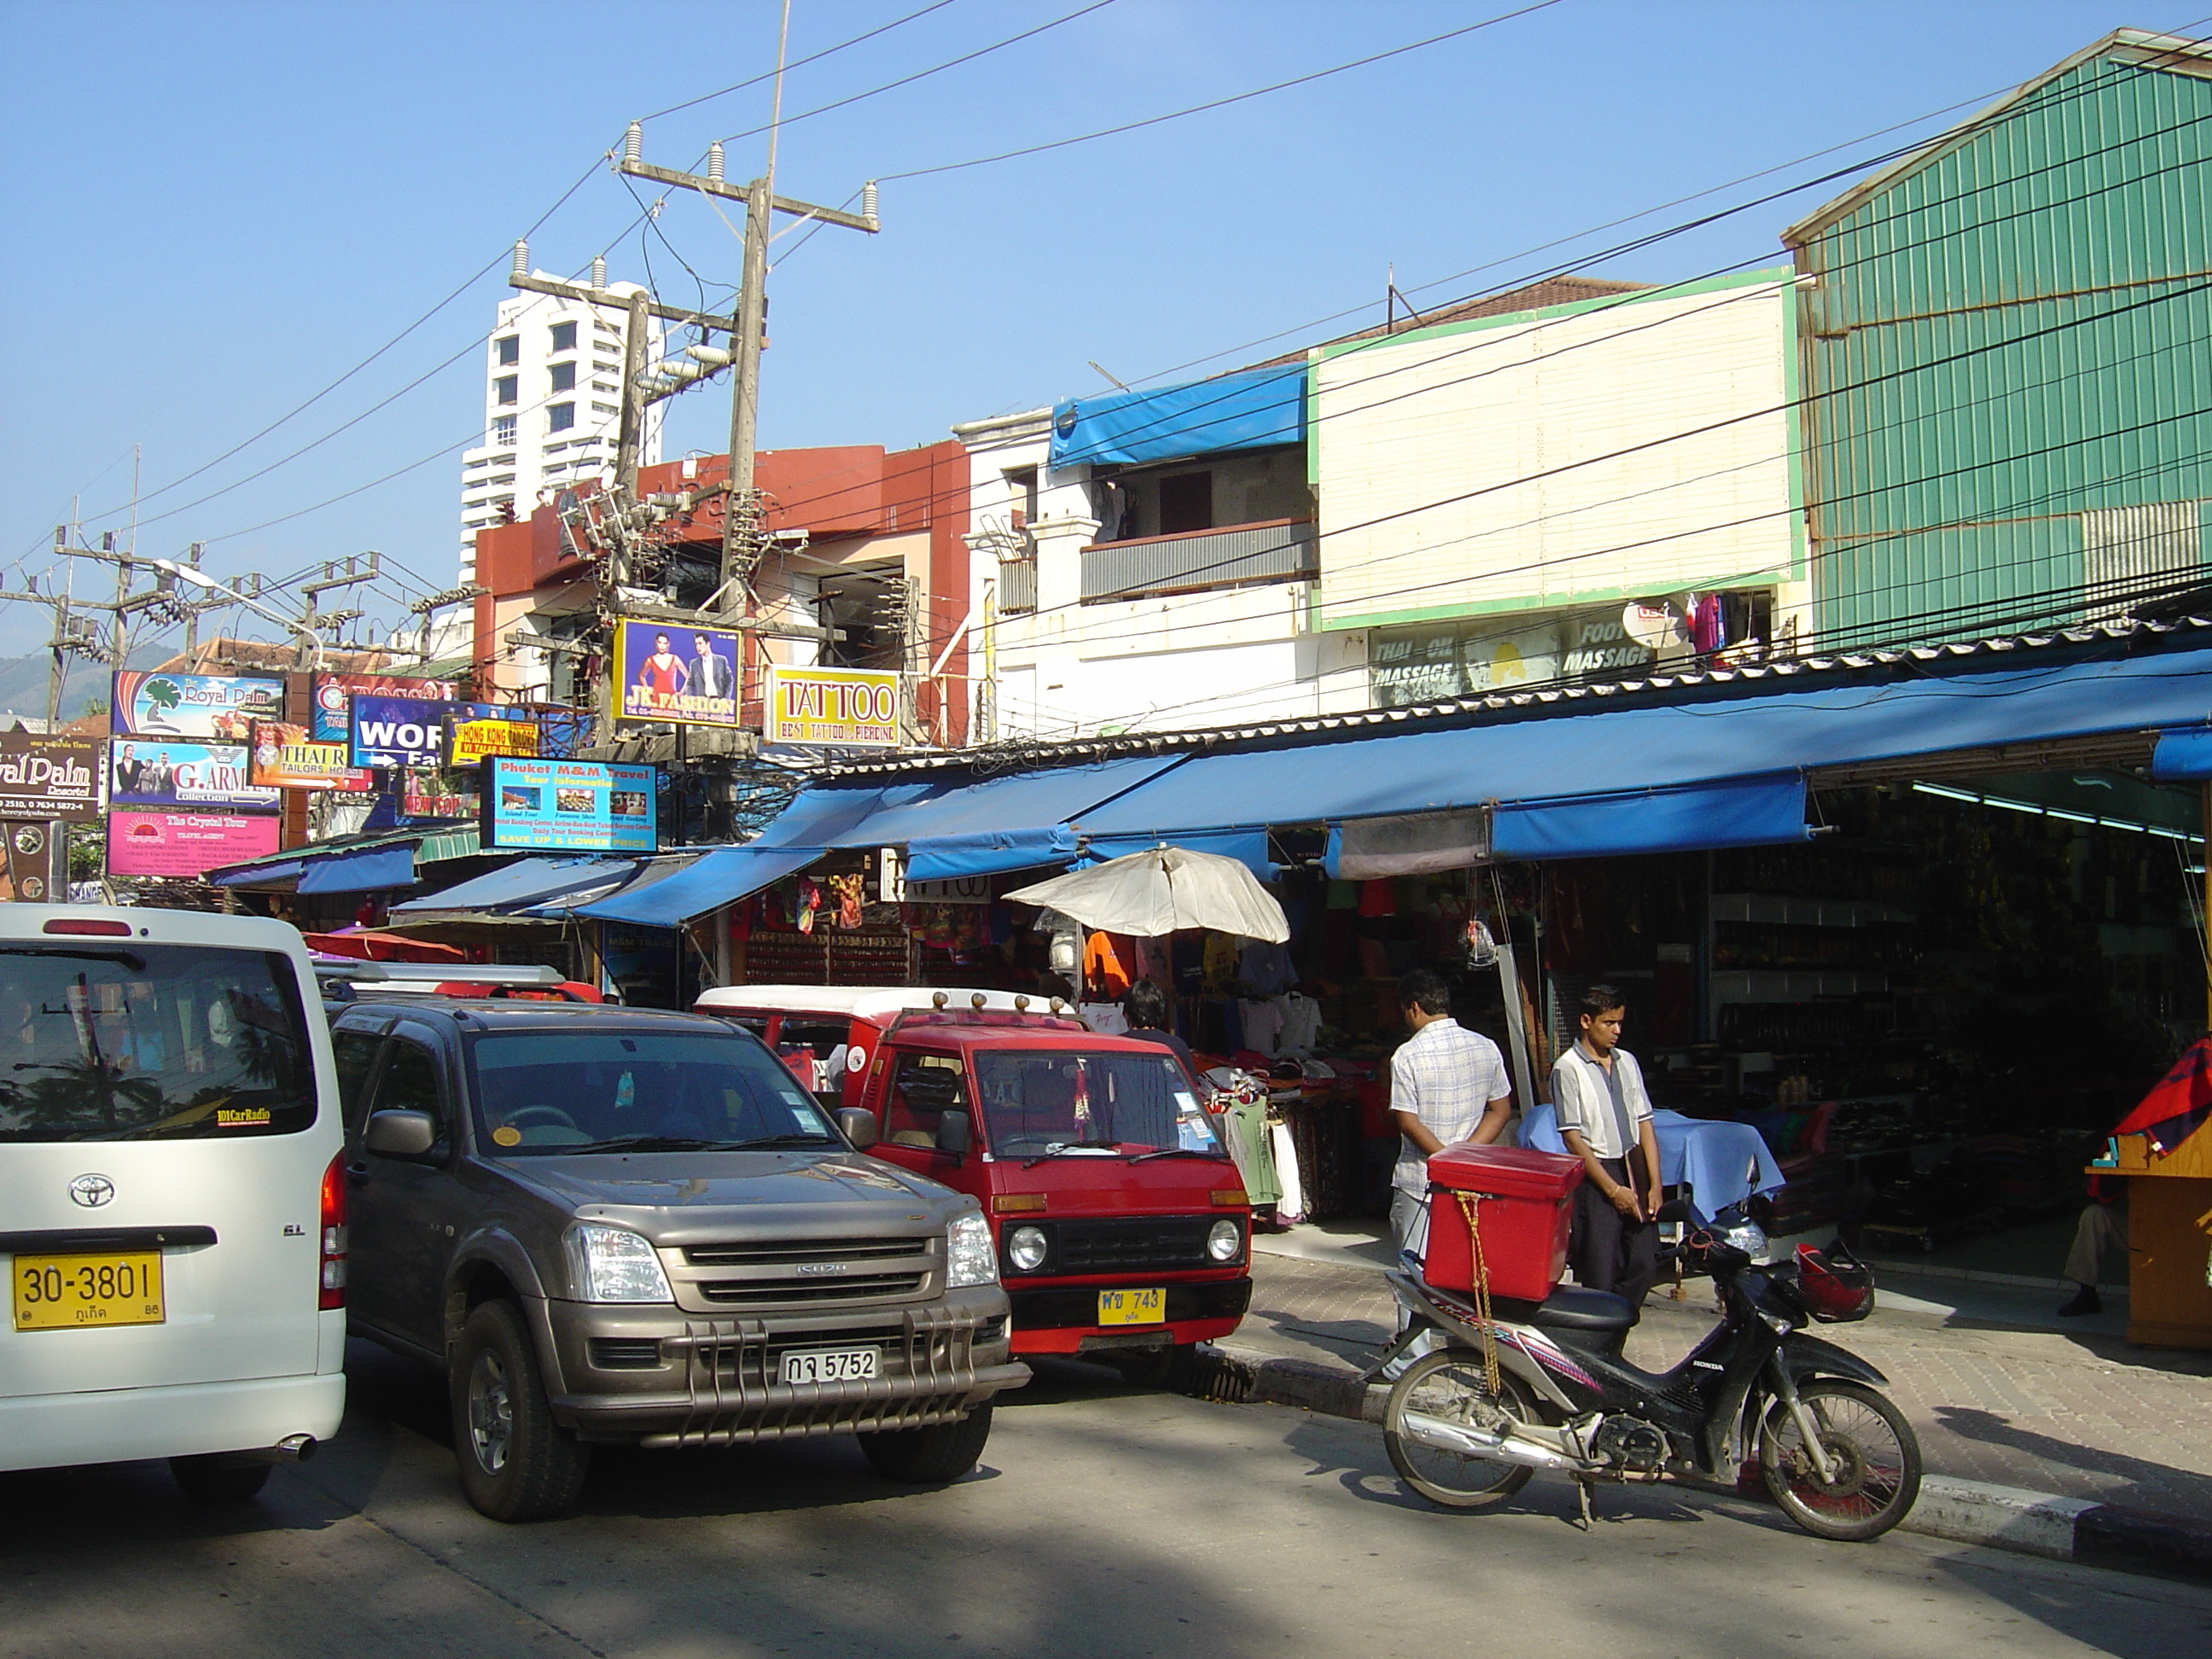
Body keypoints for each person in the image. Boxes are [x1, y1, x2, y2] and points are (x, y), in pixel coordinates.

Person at [1551, 984, 1663, 1313]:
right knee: (1600, 1267)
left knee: (1645, 1259)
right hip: (1597, 1174)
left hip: (1632, 1164)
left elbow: (1644, 1123)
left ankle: (1618, 1320)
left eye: (1619, 1023)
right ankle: (1597, 1334)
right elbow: (1573, 1138)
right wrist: (1613, 1190)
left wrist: (1655, 1183)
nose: (1616, 1031)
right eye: (1608, 1023)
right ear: (1587, 1021)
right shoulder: (1568, 1068)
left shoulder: (1626, 1062)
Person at [1388, 969, 1512, 1257]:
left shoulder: (1407, 1054)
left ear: (1414, 1008)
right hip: (1472, 1181)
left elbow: (1408, 1122)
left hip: (1420, 1183)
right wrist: (1463, 1160)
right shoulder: (1486, 1047)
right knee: (1463, 1270)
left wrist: (1446, 1163)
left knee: (1415, 1276)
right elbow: (1500, 1110)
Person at [2058, 1177, 2128, 1316]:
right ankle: (2087, 1293)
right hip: (2138, 1226)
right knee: (2094, 1214)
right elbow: (2103, 1195)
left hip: (2174, 1230)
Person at [1121, 978, 1195, 1074]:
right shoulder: (1176, 1046)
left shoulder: (1113, 1048)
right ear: (1161, 1012)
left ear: (1126, 1014)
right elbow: (1191, 1086)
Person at [688, 632, 734, 701]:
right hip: (702, 703)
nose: (698, 647)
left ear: (708, 644)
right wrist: (689, 700)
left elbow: (729, 680)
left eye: (700, 643)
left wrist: (726, 699)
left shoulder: (721, 660)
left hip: (719, 701)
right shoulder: (694, 663)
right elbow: (690, 683)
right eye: (696, 644)